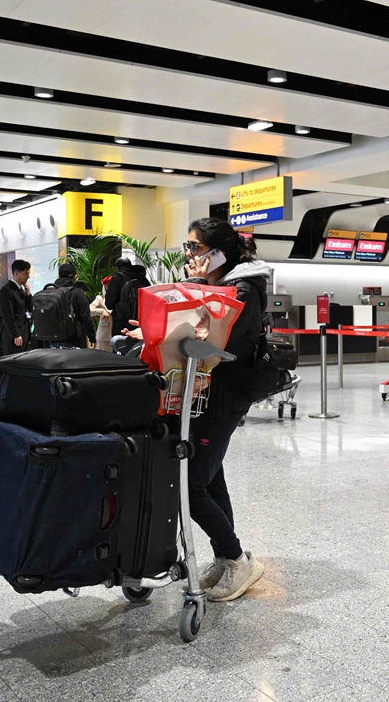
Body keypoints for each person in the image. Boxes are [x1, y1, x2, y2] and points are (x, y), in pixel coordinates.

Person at [126, 218, 269, 602]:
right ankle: (226, 557)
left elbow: (217, 342)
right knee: (210, 477)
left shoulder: (244, 288)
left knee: (189, 484)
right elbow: (193, 332)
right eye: (188, 246)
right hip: (203, 392)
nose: (189, 254)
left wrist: (198, 285)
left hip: (224, 395)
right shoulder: (223, 286)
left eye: (195, 247)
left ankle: (238, 559)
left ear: (220, 252)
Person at [42, 264, 95, 349]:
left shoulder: (50, 292)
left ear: (59, 276)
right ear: (74, 277)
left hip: (52, 341)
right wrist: (92, 337)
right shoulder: (77, 292)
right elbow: (86, 317)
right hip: (74, 340)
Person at [0, 259, 32, 358]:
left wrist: (28, 294)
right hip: (12, 338)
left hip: (23, 334)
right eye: (26, 273)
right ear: (16, 274)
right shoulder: (7, 290)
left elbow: (30, 309)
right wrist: (16, 335)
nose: (28, 276)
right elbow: (8, 315)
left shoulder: (21, 290)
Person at [91, 278, 113, 353]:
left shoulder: (120, 298)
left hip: (117, 335)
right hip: (104, 337)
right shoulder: (100, 299)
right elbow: (89, 310)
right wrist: (101, 311)